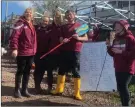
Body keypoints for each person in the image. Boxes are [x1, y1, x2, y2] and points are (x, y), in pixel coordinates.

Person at [51, 10, 88, 100]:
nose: (69, 16)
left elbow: (86, 38)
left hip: (75, 51)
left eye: (70, 14)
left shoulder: (80, 26)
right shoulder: (63, 27)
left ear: (74, 15)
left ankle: (77, 93)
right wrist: (62, 40)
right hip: (64, 51)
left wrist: (78, 37)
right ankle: (59, 90)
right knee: (62, 70)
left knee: (76, 71)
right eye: (67, 15)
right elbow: (60, 38)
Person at [106, 20, 135, 106]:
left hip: (127, 67)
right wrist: (108, 46)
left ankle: (126, 104)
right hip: (118, 66)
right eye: (115, 26)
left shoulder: (130, 38)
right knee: (120, 87)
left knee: (123, 86)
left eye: (118, 26)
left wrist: (121, 52)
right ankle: (124, 104)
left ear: (124, 27)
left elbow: (133, 54)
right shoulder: (116, 39)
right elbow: (112, 54)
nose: (116, 28)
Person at [9, 8, 37, 98]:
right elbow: (14, 37)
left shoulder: (32, 25)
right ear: (24, 13)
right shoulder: (20, 23)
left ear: (32, 15)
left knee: (27, 72)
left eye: (30, 12)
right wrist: (14, 48)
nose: (28, 14)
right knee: (20, 71)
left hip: (31, 53)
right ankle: (17, 91)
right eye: (27, 12)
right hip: (22, 52)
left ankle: (24, 90)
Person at [46, 9, 63, 93]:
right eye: (55, 16)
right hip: (51, 52)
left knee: (60, 71)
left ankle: (59, 88)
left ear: (61, 17)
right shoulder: (50, 27)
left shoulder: (62, 27)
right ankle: (49, 87)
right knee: (50, 71)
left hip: (60, 53)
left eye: (58, 16)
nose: (57, 18)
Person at [34, 16, 51, 94]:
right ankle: (37, 86)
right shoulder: (36, 29)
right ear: (41, 21)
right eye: (44, 21)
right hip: (38, 53)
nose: (45, 22)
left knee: (44, 70)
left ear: (48, 22)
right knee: (38, 70)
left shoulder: (50, 29)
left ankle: (48, 88)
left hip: (47, 53)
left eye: (46, 21)